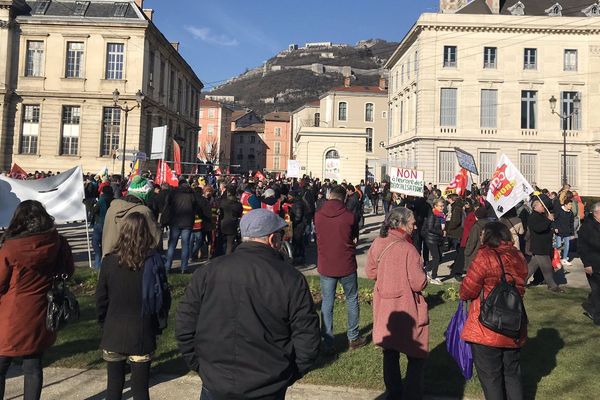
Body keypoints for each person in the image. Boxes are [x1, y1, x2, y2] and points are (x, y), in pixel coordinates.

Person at [175, 209, 320, 400]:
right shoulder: (290, 278)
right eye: (281, 236)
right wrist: (199, 365)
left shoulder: (209, 271)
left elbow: (306, 336)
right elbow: (185, 325)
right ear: (272, 240)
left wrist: (289, 373)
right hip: (230, 381)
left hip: (257, 383)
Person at [0, 201, 75, 400]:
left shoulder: (10, 247)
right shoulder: (58, 243)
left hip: (12, 312)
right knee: (33, 366)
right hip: (41, 310)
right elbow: (68, 271)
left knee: (2, 362)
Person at [96, 213, 170, 400]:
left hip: (115, 327)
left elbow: (101, 298)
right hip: (141, 328)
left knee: (113, 387)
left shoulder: (109, 261)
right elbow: (164, 296)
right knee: (140, 389)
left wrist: (103, 321)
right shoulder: (153, 260)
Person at [459, 222, 528, 400]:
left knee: (491, 378)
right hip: (513, 321)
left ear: (488, 236)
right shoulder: (518, 256)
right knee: (512, 374)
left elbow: (468, 290)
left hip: (486, 325)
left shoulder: (484, 256)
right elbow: (521, 285)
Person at [366, 207, 428, 400]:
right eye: (412, 223)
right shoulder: (408, 248)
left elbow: (371, 272)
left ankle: (393, 393)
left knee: (390, 351)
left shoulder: (378, 242)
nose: (415, 226)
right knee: (416, 353)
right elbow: (418, 282)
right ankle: (411, 394)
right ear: (401, 224)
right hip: (407, 306)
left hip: (385, 305)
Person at [314, 185, 368, 352]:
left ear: (329, 196)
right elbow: (354, 239)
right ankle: (353, 337)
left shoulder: (318, 215)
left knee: (327, 302)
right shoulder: (349, 217)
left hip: (326, 263)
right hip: (345, 263)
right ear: (344, 198)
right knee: (351, 299)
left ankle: (328, 342)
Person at [165, 179, 200, 274]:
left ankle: (167, 266)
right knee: (186, 245)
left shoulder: (174, 193)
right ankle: (184, 268)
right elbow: (196, 208)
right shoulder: (191, 194)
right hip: (188, 223)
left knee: (172, 244)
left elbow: (168, 205)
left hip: (175, 222)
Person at [527, 199, 563, 292]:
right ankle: (553, 286)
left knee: (531, 267)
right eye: (542, 206)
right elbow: (539, 228)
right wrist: (548, 220)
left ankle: (520, 281)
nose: (544, 207)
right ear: (535, 206)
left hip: (544, 245)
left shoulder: (542, 216)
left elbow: (547, 226)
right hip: (539, 246)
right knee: (547, 267)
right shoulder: (533, 217)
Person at [578, 202, 600, 326]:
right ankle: (597, 317)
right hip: (593, 264)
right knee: (597, 291)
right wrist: (587, 264)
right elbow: (582, 247)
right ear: (596, 213)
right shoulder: (587, 227)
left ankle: (590, 305)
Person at [421, 198, 445, 285]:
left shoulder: (441, 215)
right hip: (431, 239)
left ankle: (427, 272)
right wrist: (441, 232)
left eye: (443, 206)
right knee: (436, 257)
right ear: (435, 206)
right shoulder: (432, 215)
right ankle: (433, 277)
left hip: (438, 238)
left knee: (439, 257)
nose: (442, 207)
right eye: (440, 206)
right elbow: (430, 228)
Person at [92, 185, 114, 268]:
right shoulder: (114, 199)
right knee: (105, 243)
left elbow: (94, 210)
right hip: (110, 223)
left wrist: (88, 204)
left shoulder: (101, 200)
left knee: (95, 243)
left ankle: (98, 263)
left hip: (100, 223)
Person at [218, 185, 243, 255]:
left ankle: (219, 257)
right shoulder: (238, 204)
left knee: (220, 243)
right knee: (230, 244)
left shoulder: (222, 202)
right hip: (232, 224)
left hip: (222, 224)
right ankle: (227, 259)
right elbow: (239, 214)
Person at [554, 198, 575, 267]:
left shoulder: (571, 213)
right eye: (569, 204)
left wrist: (572, 233)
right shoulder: (559, 211)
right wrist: (555, 227)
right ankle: (558, 259)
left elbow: (572, 223)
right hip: (559, 231)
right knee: (559, 245)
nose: (571, 206)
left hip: (567, 231)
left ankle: (565, 259)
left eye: (571, 204)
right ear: (565, 205)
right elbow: (555, 220)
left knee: (567, 245)